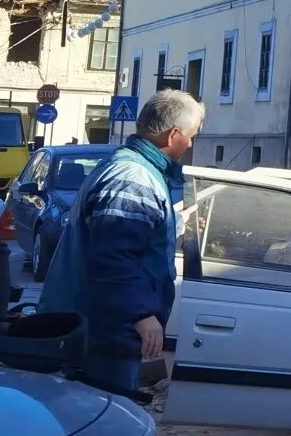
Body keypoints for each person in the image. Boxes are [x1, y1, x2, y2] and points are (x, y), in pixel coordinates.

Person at [40, 88, 200, 399]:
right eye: (191, 136)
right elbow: (113, 256)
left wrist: (173, 226)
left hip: (97, 328)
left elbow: (124, 237)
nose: (192, 143)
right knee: (102, 428)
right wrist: (141, 315)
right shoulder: (133, 177)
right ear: (173, 135)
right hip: (101, 335)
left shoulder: (132, 167)